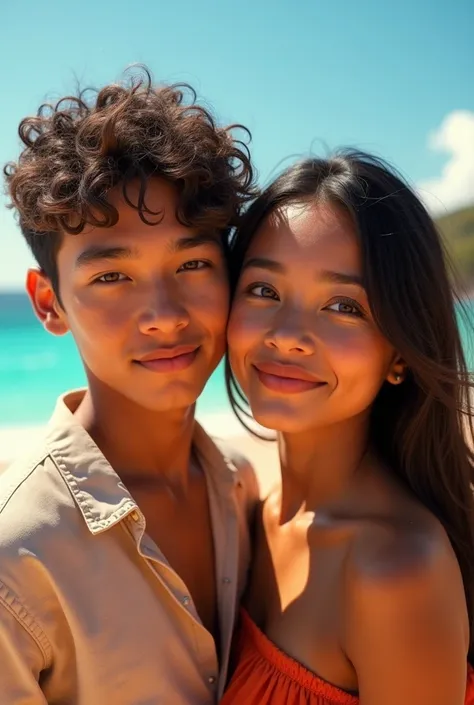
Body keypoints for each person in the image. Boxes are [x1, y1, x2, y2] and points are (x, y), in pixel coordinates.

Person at [0, 68, 259, 704]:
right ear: (49, 305)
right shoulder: (17, 556)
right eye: (112, 277)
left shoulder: (241, 487)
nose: (166, 314)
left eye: (193, 263)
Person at [221, 151, 474, 704]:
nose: (288, 335)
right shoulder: (248, 517)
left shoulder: (396, 569)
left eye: (343, 306)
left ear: (399, 353)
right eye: (264, 290)